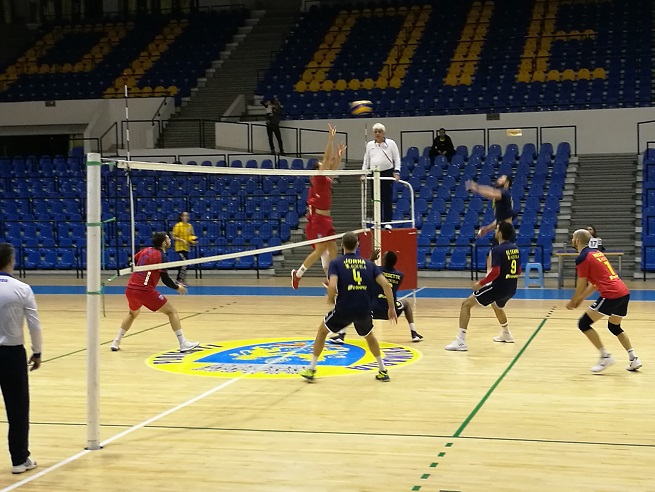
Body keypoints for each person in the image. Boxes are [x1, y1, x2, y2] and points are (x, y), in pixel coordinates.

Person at [300, 232, 398, 382]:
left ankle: (312, 369)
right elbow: (386, 285)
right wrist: (391, 307)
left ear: (342, 246)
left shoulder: (337, 263)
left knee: (322, 331)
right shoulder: (369, 264)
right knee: (369, 336)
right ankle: (383, 370)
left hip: (344, 309)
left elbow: (332, 284)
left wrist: (331, 297)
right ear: (357, 245)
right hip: (364, 309)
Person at [565, 229, 641, 373]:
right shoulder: (597, 253)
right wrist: (580, 299)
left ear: (576, 241)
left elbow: (581, 284)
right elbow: (593, 284)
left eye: (572, 238)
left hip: (611, 294)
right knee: (614, 327)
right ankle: (634, 358)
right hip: (623, 292)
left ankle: (605, 356)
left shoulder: (582, 257)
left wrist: (573, 300)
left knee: (583, 323)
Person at [111, 232, 199, 353]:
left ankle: (116, 342)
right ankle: (183, 343)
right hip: (144, 290)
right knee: (172, 311)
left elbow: (131, 262)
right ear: (164, 243)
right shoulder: (162, 256)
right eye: (168, 239)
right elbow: (165, 279)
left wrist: (143, 273)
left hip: (131, 288)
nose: (170, 240)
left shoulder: (145, 250)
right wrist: (177, 287)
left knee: (132, 314)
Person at [445, 222, 520, 351]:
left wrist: (481, 283)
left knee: (466, 304)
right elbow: (518, 270)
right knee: (496, 306)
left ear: (500, 233)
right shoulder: (515, 249)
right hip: (512, 287)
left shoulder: (497, 249)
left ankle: (460, 341)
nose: (495, 231)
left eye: (496, 230)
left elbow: (495, 272)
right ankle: (506, 334)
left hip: (499, 287)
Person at [0, 243, 42, 474]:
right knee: (17, 409)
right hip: (11, 354)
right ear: (11, 261)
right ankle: (19, 459)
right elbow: (34, 325)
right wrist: (37, 352)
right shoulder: (22, 288)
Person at [292, 124, 346, 289]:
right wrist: (330, 139)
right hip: (318, 220)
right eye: (323, 164)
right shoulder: (318, 177)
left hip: (326, 219)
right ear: (318, 169)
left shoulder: (326, 179)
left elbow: (333, 165)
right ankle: (298, 274)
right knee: (320, 250)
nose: (326, 163)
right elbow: (326, 156)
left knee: (333, 248)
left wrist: (339, 156)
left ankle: (331, 278)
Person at [329, 249, 423, 344]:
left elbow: (365, 269)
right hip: (390, 311)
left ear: (384, 260)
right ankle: (414, 333)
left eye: (383, 257)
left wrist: (372, 258)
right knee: (406, 303)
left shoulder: (377, 270)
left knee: (353, 306)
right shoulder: (400, 275)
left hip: (372, 309)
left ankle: (341, 336)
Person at [467, 174, 516, 270]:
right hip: (500, 230)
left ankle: (495, 280)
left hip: (506, 232)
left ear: (507, 183)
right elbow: (498, 220)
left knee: (496, 258)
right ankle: (492, 280)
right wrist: (486, 229)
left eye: (502, 178)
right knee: (492, 257)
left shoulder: (504, 193)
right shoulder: (502, 200)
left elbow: (491, 193)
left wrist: (477, 188)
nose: (498, 179)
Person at [362, 123, 401, 229]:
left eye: (379, 131)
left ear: (383, 133)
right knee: (375, 200)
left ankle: (387, 222)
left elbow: (396, 158)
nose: (377, 133)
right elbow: (366, 159)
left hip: (387, 173)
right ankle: (376, 222)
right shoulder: (370, 145)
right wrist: (363, 172)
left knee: (387, 199)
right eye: (375, 132)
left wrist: (396, 172)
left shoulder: (391, 143)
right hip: (374, 173)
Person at [170, 211, 196, 284]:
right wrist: (182, 240)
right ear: (181, 217)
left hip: (187, 248)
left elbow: (192, 235)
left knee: (184, 265)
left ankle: (181, 279)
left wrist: (193, 240)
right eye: (184, 216)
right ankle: (179, 280)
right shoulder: (178, 225)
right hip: (179, 248)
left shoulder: (189, 226)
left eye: (187, 216)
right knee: (184, 263)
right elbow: (173, 236)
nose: (186, 217)